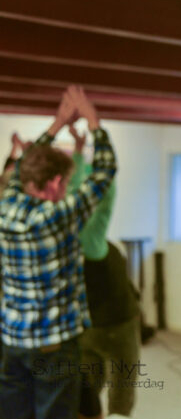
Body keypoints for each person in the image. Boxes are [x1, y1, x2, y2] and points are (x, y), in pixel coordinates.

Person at [0, 86, 117, 419]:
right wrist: (94, 121)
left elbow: (23, 164)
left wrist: (55, 126)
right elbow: (104, 172)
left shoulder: (5, 205)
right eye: (65, 183)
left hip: (12, 342)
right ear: (53, 184)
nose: (66, 190)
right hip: (52, 346)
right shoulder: (57, 215)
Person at [64, 127, 141, 419]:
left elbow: (74, 190)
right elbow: (106, 192)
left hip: (87, 326)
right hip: (115, 327)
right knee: (121, 397)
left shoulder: (61, 231)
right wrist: (96, 133)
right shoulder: (90, 240)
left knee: (86, 395)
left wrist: (78, 150)